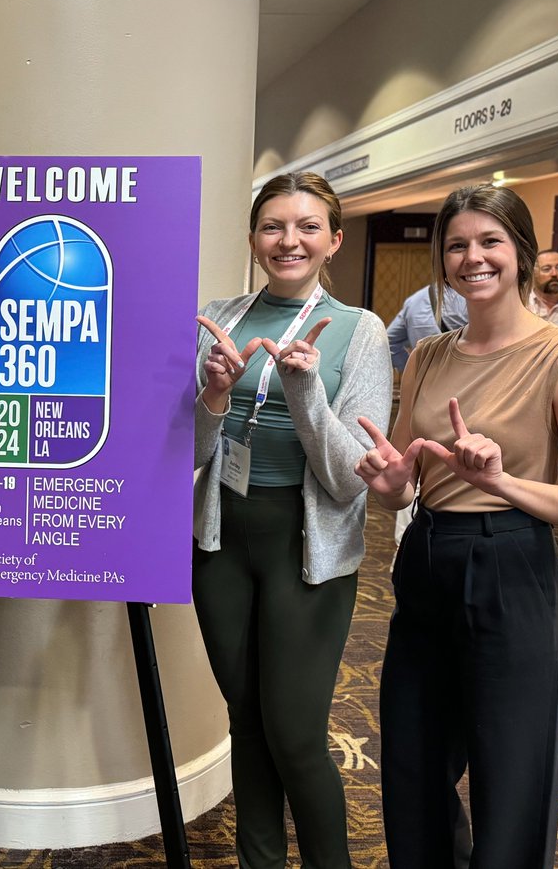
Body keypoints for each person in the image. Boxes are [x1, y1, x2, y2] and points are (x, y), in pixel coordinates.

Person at [355, 184, 558, 869]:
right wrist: (391, 487)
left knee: (513, 787)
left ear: (523, 254)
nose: (472, 257)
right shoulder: (428, 356)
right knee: (412, 774)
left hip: (514, 567)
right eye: (457, 245)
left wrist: (503, 483)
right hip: (427, 558)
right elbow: (406, 481)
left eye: (489, 242)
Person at [193, 171, 392, 868]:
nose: (289, 240)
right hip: (221, 541)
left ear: (333, 240)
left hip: (306, 549)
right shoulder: (224, 314)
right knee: (245, 725)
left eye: (308, 227)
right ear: (253, 239)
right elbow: (187, 452)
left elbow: (349, 478)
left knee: (297, 735)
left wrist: (305, 390)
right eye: (274, 226)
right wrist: (215, 392)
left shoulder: (362, 333)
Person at [386, 283, 469, 372]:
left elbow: (388, 341)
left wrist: (410, 371)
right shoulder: (470, 298)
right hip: (464, 377)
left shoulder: (414, 300)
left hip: (424, 378)